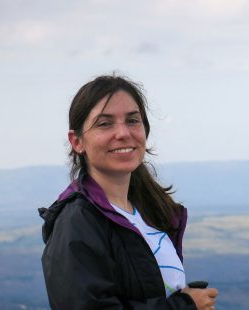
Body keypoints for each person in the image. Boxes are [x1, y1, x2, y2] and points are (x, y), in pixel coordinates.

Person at [39, 74, 219, 309]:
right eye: (105, 123)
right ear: (77, 141)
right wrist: (184, 305)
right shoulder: (77, 222)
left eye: (133, 120)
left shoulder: (148, 211)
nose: (123, 133)